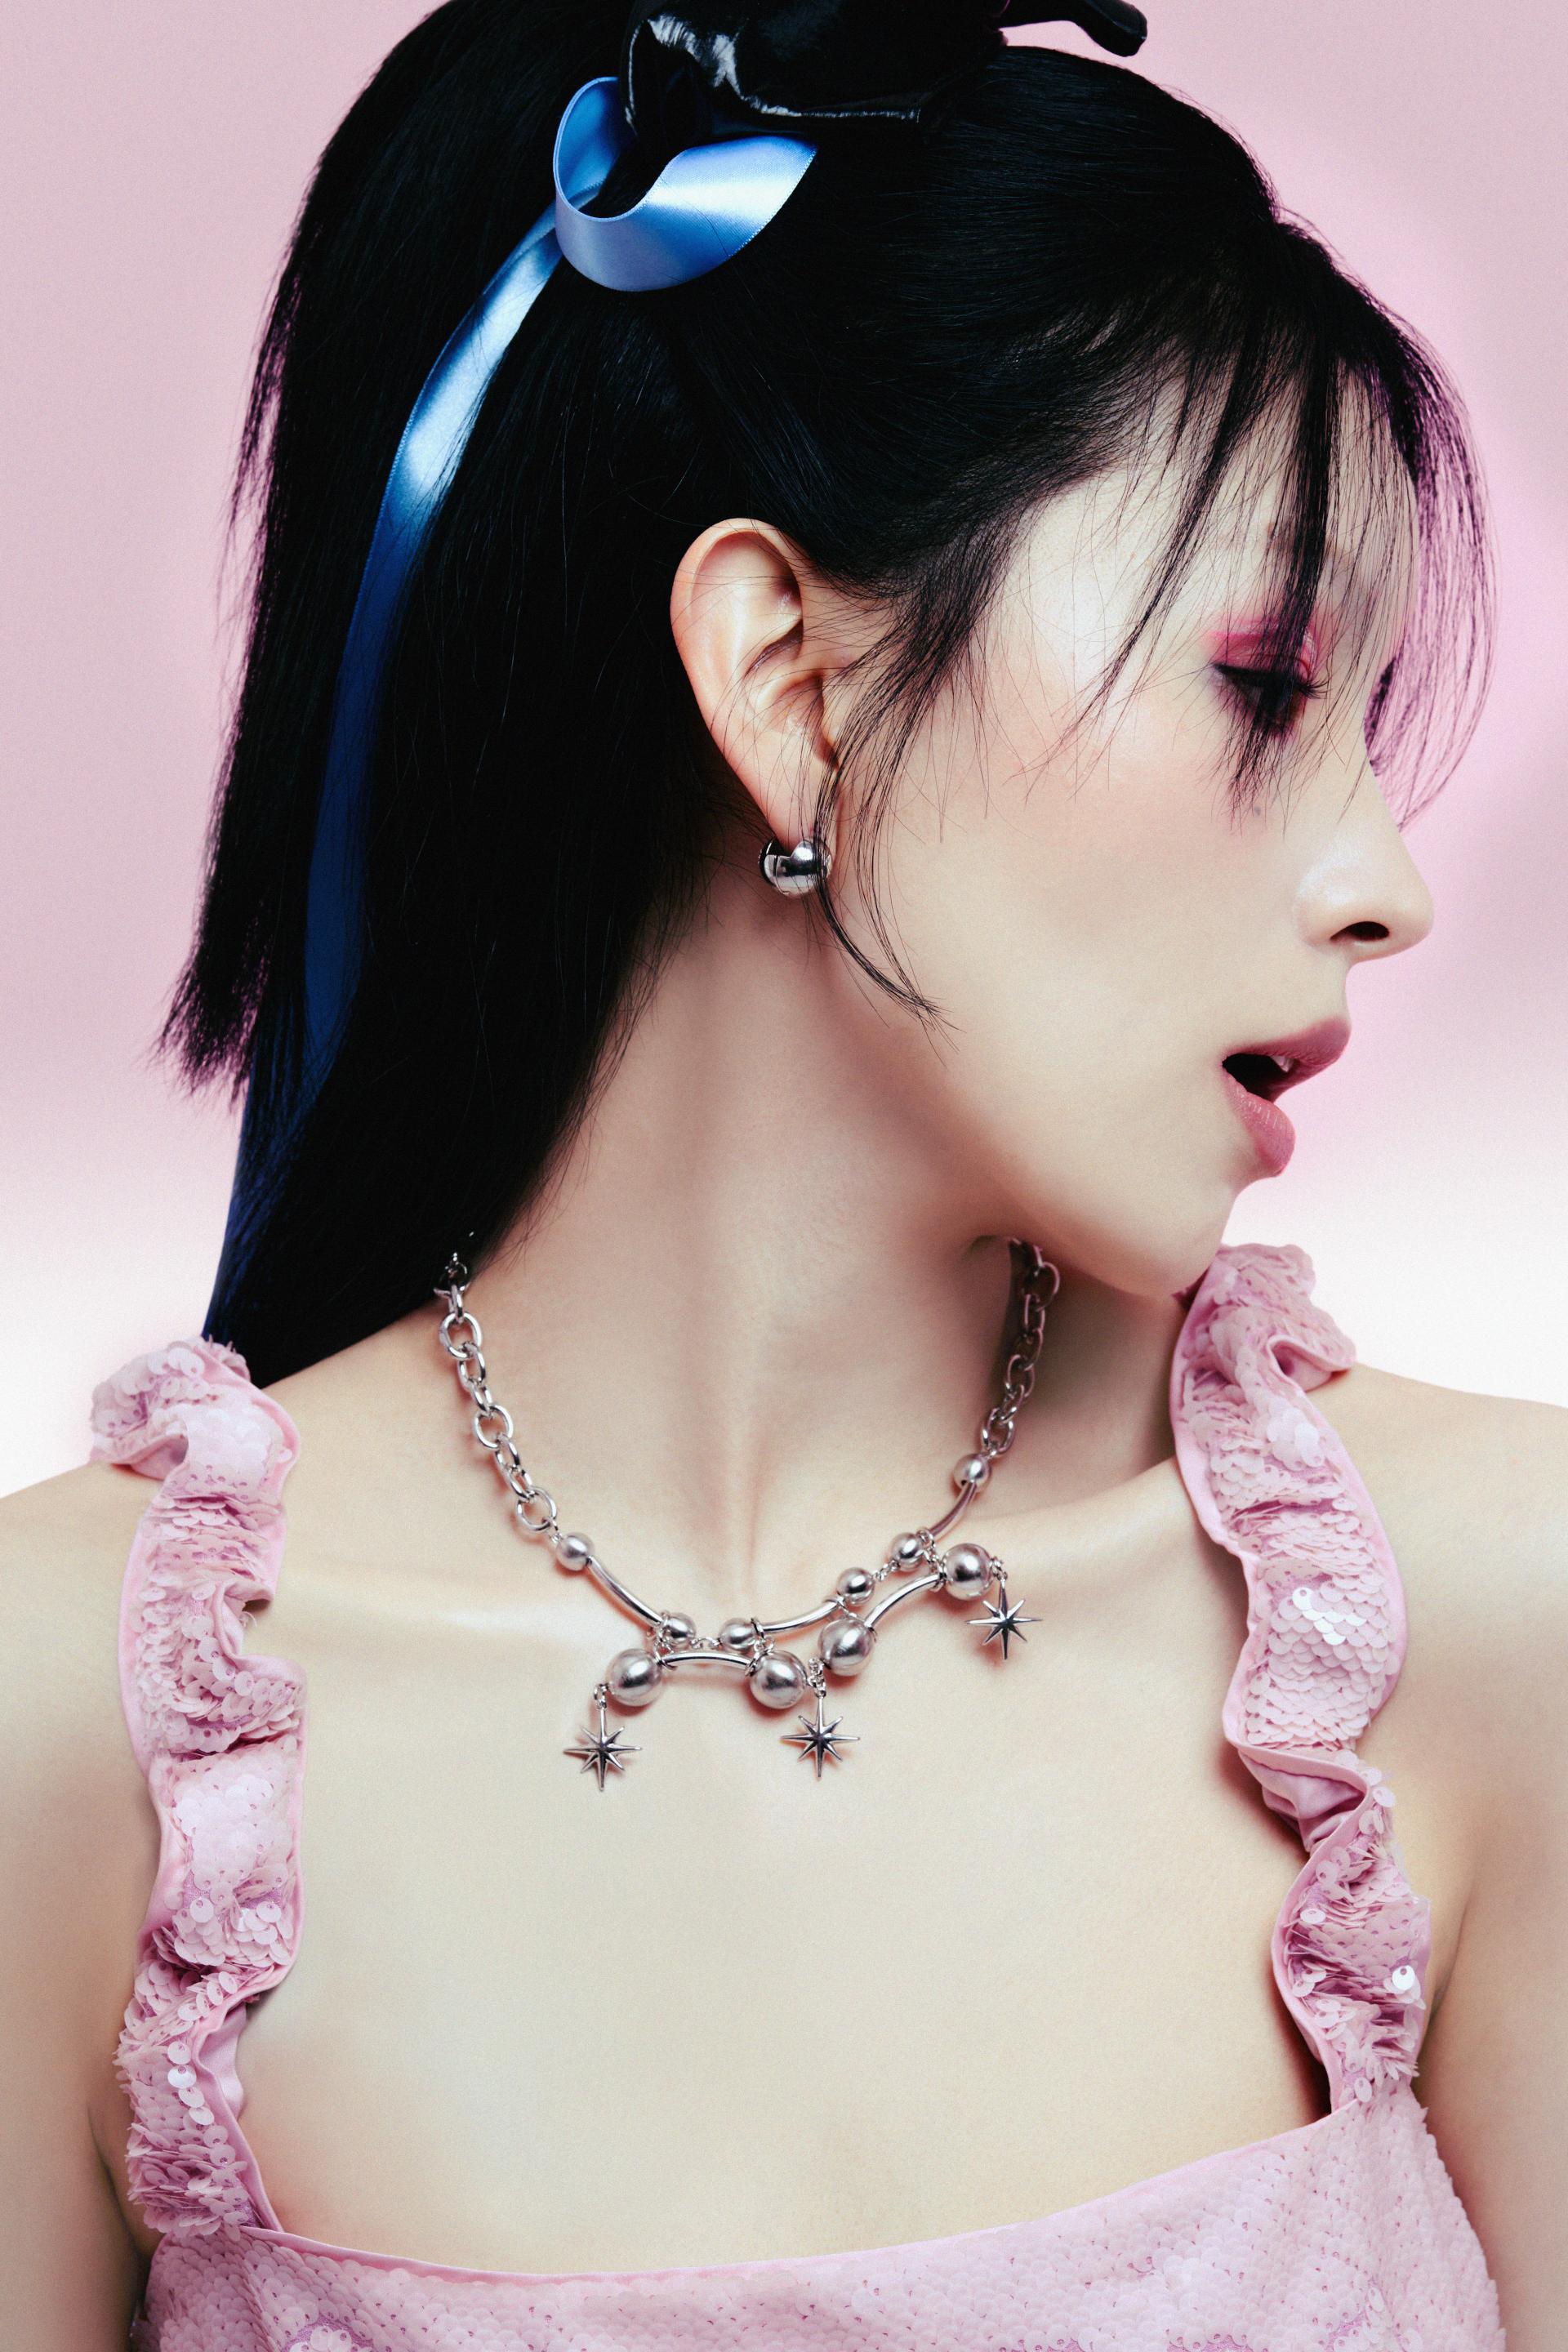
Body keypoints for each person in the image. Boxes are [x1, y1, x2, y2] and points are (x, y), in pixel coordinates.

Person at [2, 0, 1564, 2342]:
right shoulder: (77, 1731)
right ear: (789, 677)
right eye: (1263, 683)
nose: (1386, 888)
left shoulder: (1476, 1633)